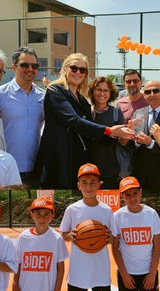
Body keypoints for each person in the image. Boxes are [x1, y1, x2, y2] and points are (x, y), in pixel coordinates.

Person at [33, 53, 134, 189]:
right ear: (65, 69)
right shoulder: (55, 90)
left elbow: (91, 132)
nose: (78, 73)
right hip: (58, 158)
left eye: (83, 70)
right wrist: (109, 130)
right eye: (74, 68)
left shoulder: (81, 100)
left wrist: (120, 134)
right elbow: (73, 120)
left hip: (76, 159)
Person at [56, 163, 122, 291]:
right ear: (78, 185)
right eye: (84, 182)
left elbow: (114, 238)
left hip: (100, 272)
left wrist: (107, 237)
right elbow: (63, 234)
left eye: (93, 182)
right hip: (78, 273)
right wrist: (73, 235)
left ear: (99, 184)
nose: (89, 186)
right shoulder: (72, 209)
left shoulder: (106, 210)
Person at [0, 46, 45, 187]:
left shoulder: (43, 96)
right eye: (24, 65)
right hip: (7, 170)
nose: (30, 69)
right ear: (14, 67)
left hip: (36, 170)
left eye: (34, 65)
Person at [131, 80, 160, 190]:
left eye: (156, 91)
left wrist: (151, 143)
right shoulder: (138, 112)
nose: (152, 95)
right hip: (139, 174)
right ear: (143, 94)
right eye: (147, 92)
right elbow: (131, 144)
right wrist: (136, 141)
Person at [88, 76, 127, 188]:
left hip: (111, 169)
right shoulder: (87, 111)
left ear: (111, 93)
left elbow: (122, 142)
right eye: (98, 90)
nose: (102, 93)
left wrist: (127, 134)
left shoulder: (116, 112)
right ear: (93, 91)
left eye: (106, 90)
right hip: (89, 168)